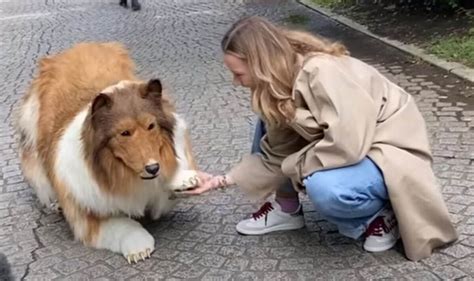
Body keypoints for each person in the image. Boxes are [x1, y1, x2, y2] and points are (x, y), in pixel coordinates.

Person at [181, 16, 458, 261]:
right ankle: (286, 208)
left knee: (326, 188)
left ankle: (381, 215)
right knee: (268, 120)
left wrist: (294, 167)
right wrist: (220, 180)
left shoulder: (322, 72)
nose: (235, 81)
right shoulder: (278, 84)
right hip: (356, 147)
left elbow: (347, 145)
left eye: (238, 73)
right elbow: (276, 153)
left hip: (388, 150)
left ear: (260, 63)